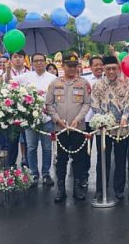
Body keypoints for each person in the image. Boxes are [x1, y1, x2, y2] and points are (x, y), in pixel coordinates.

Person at [45, 53, 91, 203]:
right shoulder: (54, 83)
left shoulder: (83, 83)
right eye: (69, 66)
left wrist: (78, 119)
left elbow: (86, 103)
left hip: (78, 127)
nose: (72, 69)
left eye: (74, 66)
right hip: (60, 128)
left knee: (79, 159)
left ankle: (77, 188)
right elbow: (49, 104)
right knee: (61, 160)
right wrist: (57, 119)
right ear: (63, 66)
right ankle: (61, 189)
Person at [90, 55, 129, 201]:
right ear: (104, 69)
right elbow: (94, 104)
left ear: (118, 69)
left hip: (122, 128)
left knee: (120, 160)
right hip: (103, 129)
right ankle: (100, 190)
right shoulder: (98, 85)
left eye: (114, 68)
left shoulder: (126, 84)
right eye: (108, 69)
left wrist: (125, 117)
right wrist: (103, 120)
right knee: (103, 160)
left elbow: (128, 102)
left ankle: (119, 190)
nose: (111, 71)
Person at [13, 53, 57, 186]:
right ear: (31, 63)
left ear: (45, 62)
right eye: (36, 61)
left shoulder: (53, 78)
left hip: (47, 118)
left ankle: (46, 173)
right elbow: (11, 82)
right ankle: (33, 173)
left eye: (41, 61)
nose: (39, 63)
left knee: (47, 148)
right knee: (31, 147)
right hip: (30, 119)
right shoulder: (26, 77)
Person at [80, 55, 105, 189]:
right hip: (87, 120)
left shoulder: (108, 80)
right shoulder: (85, 81)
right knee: (86, 151)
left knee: (103, 151)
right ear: (90, 67)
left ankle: (102, 179)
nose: (98, 67)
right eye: (95, 64)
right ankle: (84, 176)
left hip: (104, 121)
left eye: (100, 64)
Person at [2, 51, 30, 168]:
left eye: (20, 57)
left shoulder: (30, 73)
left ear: (24, 58)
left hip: (27, 111)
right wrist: (8, 70)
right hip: (12, 112)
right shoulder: (7, 73)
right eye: (15, 57)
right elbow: (7, 82)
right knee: (12, 140)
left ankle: (28, 164)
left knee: (28, 141)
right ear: (11, 59)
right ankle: (11, 165)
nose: (18, 59)